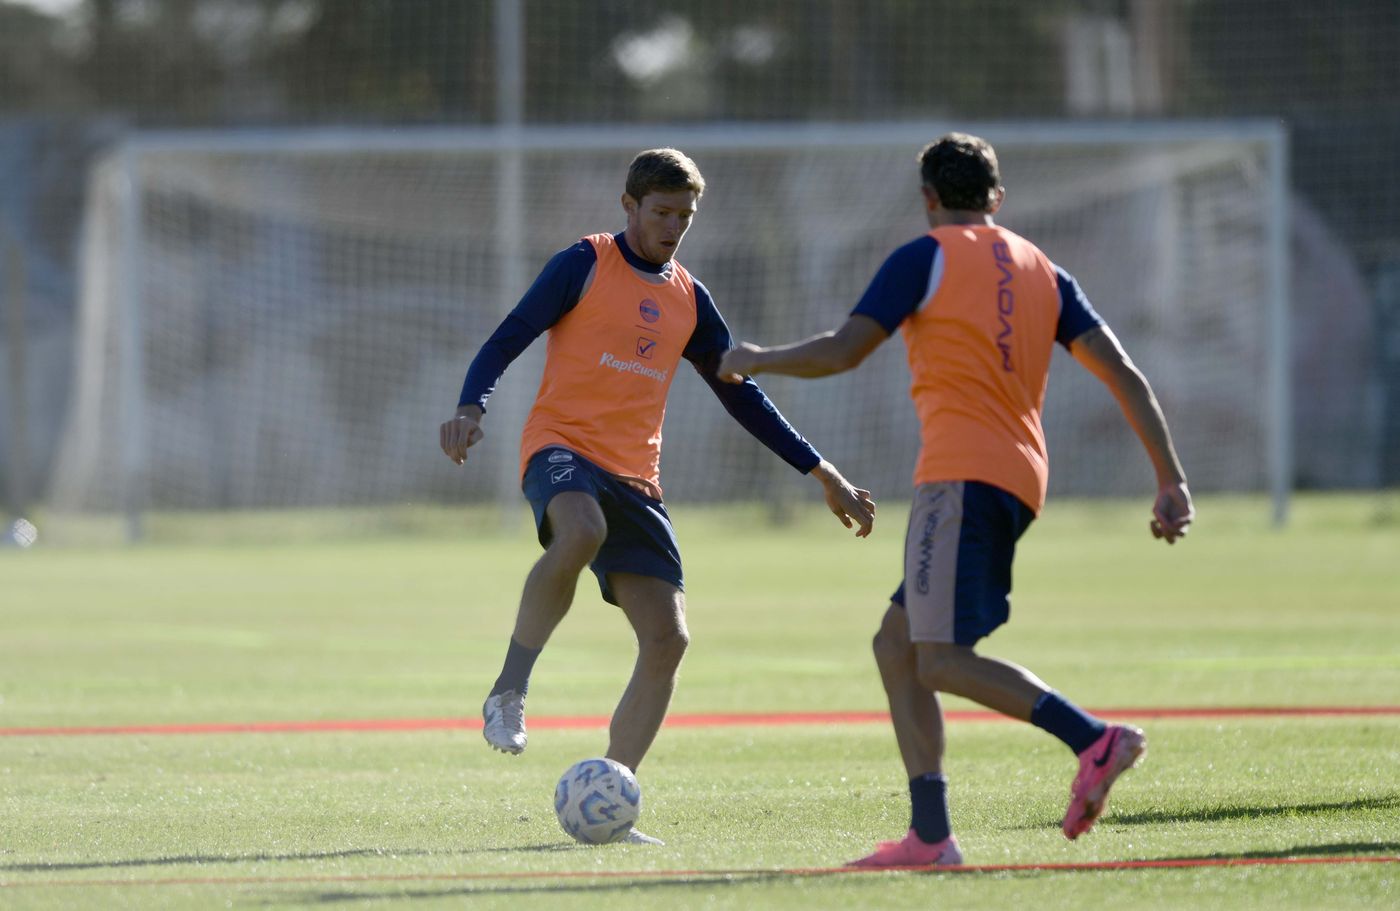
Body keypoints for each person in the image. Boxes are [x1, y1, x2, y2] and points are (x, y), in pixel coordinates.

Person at [717, 132, 1194, 866]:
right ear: (997, 199)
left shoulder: (925, 256)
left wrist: (758, 359)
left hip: (960, 479)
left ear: (929, 199)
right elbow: (1122, 371)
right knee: (895, 645)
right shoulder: (1044, 270)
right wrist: (1170, 476)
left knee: (936, 658)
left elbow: (845, 349)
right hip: (1020, 478)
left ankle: (1093, 738)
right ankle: (931, 837)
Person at [440, 148, 875, 845]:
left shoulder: (689, 299)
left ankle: (609, 797)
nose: (673, 225)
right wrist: (472, 405)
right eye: (662, 211)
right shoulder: (583, 263)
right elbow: (509, 336)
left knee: (668, 638)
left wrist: (821, 470)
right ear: (630, 206)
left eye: (686, 215)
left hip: (636, 477)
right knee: (578, 531)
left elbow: (743, 394)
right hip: (560, 447)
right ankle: (509, 689)